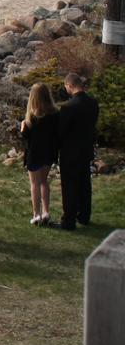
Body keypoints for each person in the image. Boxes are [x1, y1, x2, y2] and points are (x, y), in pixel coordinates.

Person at [57, 72, 99, 231]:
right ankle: (84, 215)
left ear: (69, 86)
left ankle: (68, 220)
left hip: (70, 151)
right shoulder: (93, 103)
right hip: (86, 148)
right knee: (84, 183)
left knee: (69, 186)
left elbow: (61, 131)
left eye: (65, 87)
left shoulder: (68, 107)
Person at [20, 83, 59, 226]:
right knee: (44, 181)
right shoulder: (55, 113)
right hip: (48, 152)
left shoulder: (31, 116)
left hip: (34, 153)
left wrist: (22, 128)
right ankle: (46, 212)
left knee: (34, 184)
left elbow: (25, 136)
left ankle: (36, 214)